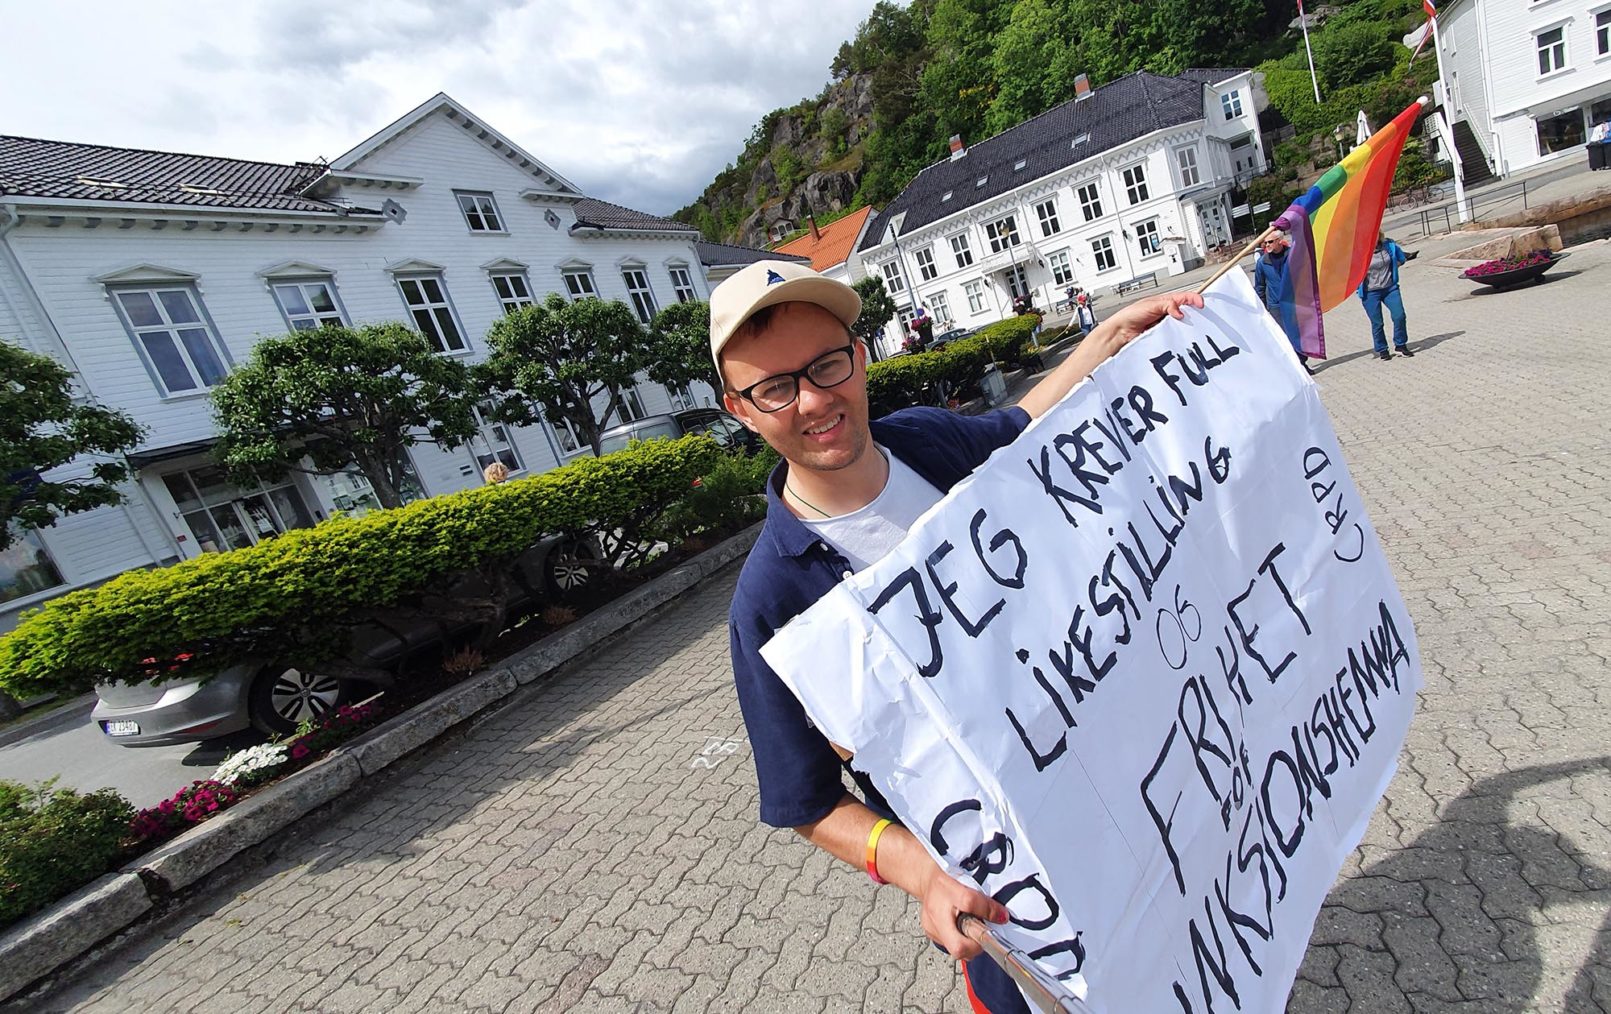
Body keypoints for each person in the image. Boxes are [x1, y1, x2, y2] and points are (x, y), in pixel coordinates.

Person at [715, 259, 1202, 1014]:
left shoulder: (924, 441)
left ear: (860, 354)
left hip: (1121, 800)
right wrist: (923, 874)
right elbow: (805, 800)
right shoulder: (772, 598)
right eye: (774, 387)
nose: (813, 399)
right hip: (1013, 899)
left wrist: (1105, 336)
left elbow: (1019, 429)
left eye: (825, 365)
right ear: (740, 410)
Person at [1251, 230, 1313, 374]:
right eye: (1265, 243)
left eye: (1270, 242)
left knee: (1299, 334)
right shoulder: (1262, 262)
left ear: (1280, 240)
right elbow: (1260, 286)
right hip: (1276, 306)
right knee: (1286, 337)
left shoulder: (1293, 256)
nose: (1267, 245)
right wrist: (1263, 307)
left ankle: (1302, 361)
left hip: (1294, 302)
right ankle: (1298, 368)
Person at [1357, 232, 1415, 361]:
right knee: (1377, 322)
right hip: (1370, 292)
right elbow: (1351, 272)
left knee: (1399, 315)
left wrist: (1395, 267)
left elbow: (1401, 258)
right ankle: (1382, 349)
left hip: (1390, 288)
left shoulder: (1389, 245)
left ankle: (1400, 345)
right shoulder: (1359, 251)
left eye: (1375, 233)